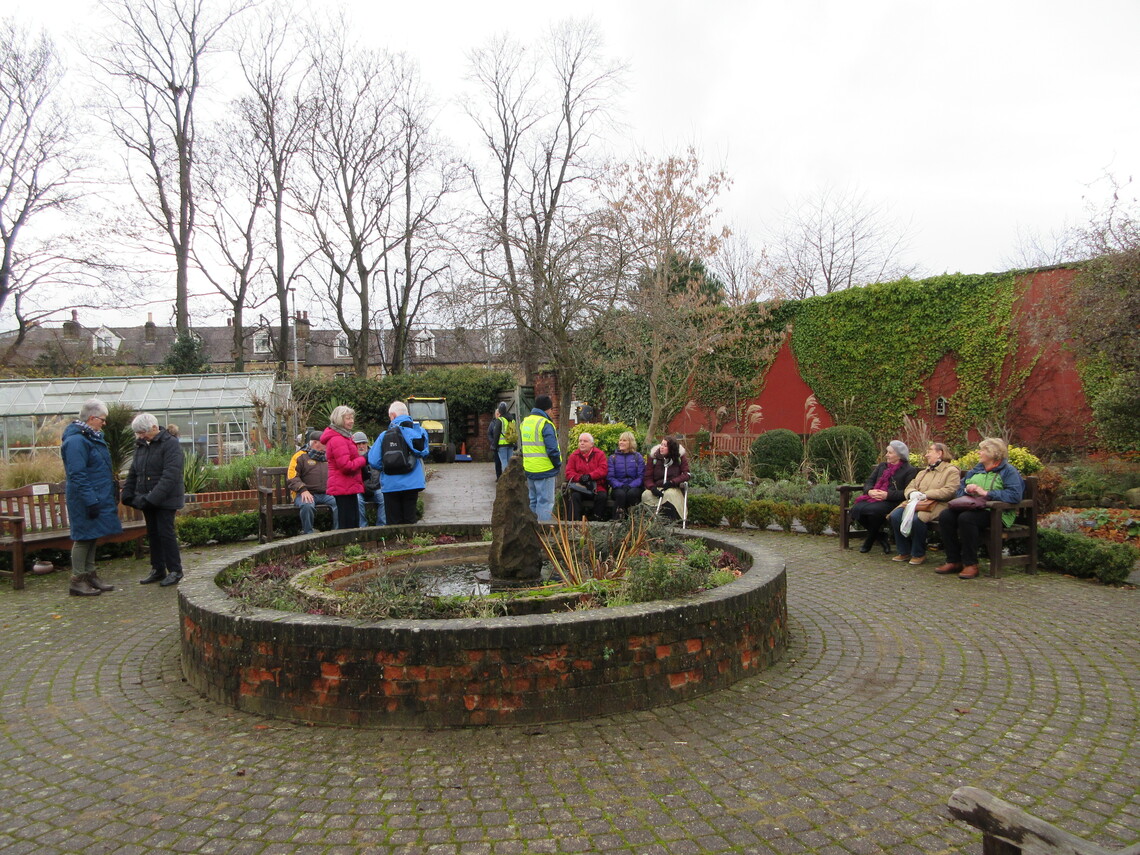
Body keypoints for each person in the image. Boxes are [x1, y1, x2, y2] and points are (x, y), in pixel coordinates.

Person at [935, 437, 1025, 580]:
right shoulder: (976, 469)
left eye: (982, 450)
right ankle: (953, 560)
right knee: (946, 515)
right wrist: (967, 490)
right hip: (972, 508)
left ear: (993, 453)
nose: (979, 452)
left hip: (996, 513)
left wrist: (987, 493)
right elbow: (959, 490)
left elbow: (1015, 495)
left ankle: (971, 564)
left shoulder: (1008, 471)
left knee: (966, 519)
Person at [61, 399, 123, 597]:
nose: (104, 423)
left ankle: (90, 574)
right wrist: (90, 499)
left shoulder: (89, 437)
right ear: (91, 418)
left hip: (95, 495)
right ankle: (78, 580)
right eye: (102, 420)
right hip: (84, 497)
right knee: (83, 537)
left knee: (92, 535)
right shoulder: (76, 441)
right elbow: (77, 474)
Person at [122, 413, 185, 587]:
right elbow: (134, 471)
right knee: (153, 534)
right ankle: (158, 569)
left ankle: (175, 570)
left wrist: (152, 499)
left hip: (166, 499)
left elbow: (170, 475)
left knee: (166, 533)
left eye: (142, 432)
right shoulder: (142, 446)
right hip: (147, 499)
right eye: (138, 433)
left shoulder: (170, 444)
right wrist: (128, 493)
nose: (140, 436)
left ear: (154, 428)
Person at [887, 442, 960, 565]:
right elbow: (910, 486)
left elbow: (949, 491)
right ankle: (904, 551)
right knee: (895, 516)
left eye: (929, 451)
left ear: (939, 453)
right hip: (915, 503)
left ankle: (918, 553)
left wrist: (926, 494)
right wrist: (912, 493)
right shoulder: (923, 472)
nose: (926, 455)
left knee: (918, 519)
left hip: (937, 504)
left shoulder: (951, 471)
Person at [368, 401, 431, 525]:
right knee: (410, 519)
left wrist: (388, 466)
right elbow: (424, 452)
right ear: (407, 414)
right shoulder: (420, 432)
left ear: (392, 415)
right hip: (412, 483)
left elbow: (374, 460)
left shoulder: (384, 435)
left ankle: (396, 543)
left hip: (391, 484)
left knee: (393, 522)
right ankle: (412, 543)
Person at [849, 440, 917, 554]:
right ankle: (881, 537)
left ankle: (869, 541)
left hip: (893, 502)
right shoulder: (882, 466)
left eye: (890, 453)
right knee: (856, 509)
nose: (886, 455)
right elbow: (869, 482)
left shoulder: (909, 470)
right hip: (874, 498)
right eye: (887, 452)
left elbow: (907, 492)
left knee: (875, 511)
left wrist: (887, 495)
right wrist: (870, 491)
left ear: (899, 455)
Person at [321, 406, 368, 529]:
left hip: (348, 485)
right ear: (340, 420)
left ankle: (352, 546)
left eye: (352, 418)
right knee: (348, 522)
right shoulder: (337, 439)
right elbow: (346, 466)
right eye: (348, 418)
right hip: (343, 485)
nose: (351, 421)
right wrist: (364, 459)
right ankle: (348, 547)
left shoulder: (345, 437)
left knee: (352, 521)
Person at [287, 430, 338, 534]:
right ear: (315, 443)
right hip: (305, 493)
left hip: (326, 494)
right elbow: (292, 477)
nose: (327, 445)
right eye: (324, 442)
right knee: (307, 505)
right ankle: (308, 534)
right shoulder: (300, 456)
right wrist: (303, 490)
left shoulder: (328, 456)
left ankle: (337, 532)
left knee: (340, 502)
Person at [519, 395, 561, 521]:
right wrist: (557, 463)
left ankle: (533, 531)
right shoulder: (545, 424)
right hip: (545, 469)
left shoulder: (525, 422)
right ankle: (543, 533)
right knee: (546, 503)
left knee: (533, 501)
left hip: (530, 468)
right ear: (548, 409)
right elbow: (552, 449)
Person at [641, 435, 690, 520]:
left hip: (672, 487)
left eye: (665, 446)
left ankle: (670, 520)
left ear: (671, 448)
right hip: (657, 486)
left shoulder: (679, 458)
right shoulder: (654, 458)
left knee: (669, 495)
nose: (662, 447)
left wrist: (672, 482)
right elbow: (647, 477)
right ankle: (649, 519)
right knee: (646, 495)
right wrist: (652, 488)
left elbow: (686, 474)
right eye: (661, 444)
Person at [564, 432, 609, 521]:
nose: (582, 443)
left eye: (585, 441)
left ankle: (596, 522)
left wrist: (590, 476)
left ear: (591, 444)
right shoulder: (574, 456)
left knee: (602, 496)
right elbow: (569, 472)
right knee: (574, 496)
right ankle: (574, 524)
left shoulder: (600, 454)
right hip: (580, 487)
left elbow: (603, 469)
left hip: (597, 487)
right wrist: (580, 478)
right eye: (580, 441)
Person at [607, 431, 645, 519]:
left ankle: (634, 520)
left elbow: (641, 476)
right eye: (620, 440)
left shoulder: (637, 457)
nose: (621, 442)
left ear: (630, 442)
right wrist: (621, 485)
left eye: (624, 440)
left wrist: (630, 486)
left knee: (632, 494)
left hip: (634, 487)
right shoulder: (613, 458)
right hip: (618, 487)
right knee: (621, 494)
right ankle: (617, 521)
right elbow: (610, 477)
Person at [353, 430, 386, 526]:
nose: (361, 446)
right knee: (357, 500)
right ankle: (363, 528)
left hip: (376, 487)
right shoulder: (351, 457)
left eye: (363, 443)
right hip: (359, 490)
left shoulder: (376, 455)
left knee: (384, 498)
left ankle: (381, 527)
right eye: (358, 444)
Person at [487, 402, 515, 479]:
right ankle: (511, 478)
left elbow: (496, 434)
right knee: (510, 463)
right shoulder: (512, 419)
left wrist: (494, 445)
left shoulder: (500, 420)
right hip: (511, 443)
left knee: (504, 462)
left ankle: (506, 479)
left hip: (502, 445)